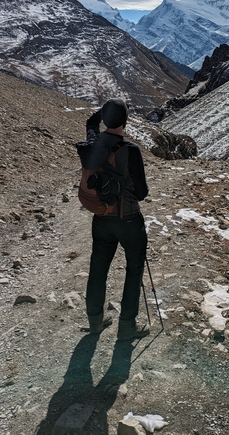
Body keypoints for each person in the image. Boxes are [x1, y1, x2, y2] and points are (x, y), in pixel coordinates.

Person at [84, 97, 150, 340]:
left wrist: (101, 116)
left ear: (105, 118)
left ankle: (95, 321)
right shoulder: (130, 150)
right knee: (133, 269)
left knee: (98, 268)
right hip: (129, 219)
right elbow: (142, 193)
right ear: (125, 120)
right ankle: (126, 326)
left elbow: (90, 124)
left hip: (101, 218)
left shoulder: (92, 143)